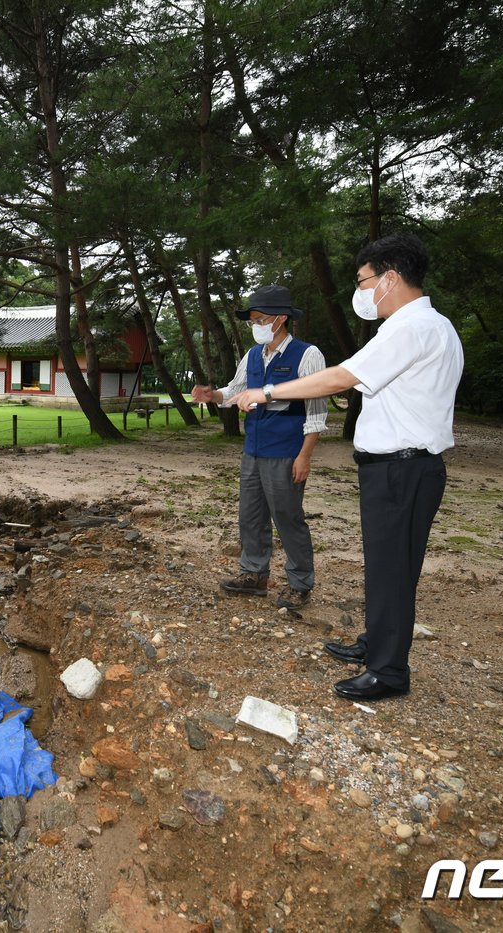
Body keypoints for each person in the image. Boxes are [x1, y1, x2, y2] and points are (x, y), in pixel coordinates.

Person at [223, 234, 463, 701]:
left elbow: (341, 377)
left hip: (402, 468)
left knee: (392, 568)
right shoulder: (429, 326)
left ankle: (388, 671)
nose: (361, 291)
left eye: (362, 281)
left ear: (389, 278)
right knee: (389, 566)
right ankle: (377, 642)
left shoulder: (411, 328)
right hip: (400, 468)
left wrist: (267, 392)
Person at [192, 284, 327, 609]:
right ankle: (253, 574)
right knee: (250, 516)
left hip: (286, 452)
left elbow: (316, 411)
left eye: (260, 319)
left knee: (288, 517)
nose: (256, 325)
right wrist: (213, 395)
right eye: (252, 320)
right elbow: (235, 390)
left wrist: (305, 456)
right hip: (253, 450)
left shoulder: (307, 355)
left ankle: (300, 583)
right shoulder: (253, 355)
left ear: (281, 319)